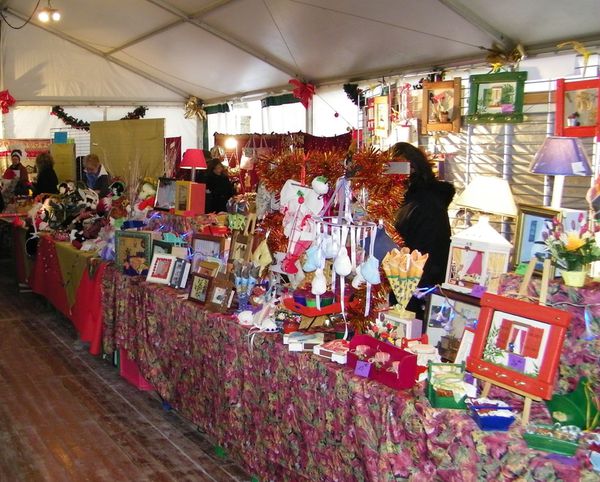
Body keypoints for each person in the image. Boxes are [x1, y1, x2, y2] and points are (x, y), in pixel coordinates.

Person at [392, 142, 455, 320]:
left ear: (413, 169)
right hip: (405, 283)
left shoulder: (426, 203)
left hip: (416, 289)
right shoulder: (404, 199)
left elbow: (429, 252)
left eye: (397, 167)